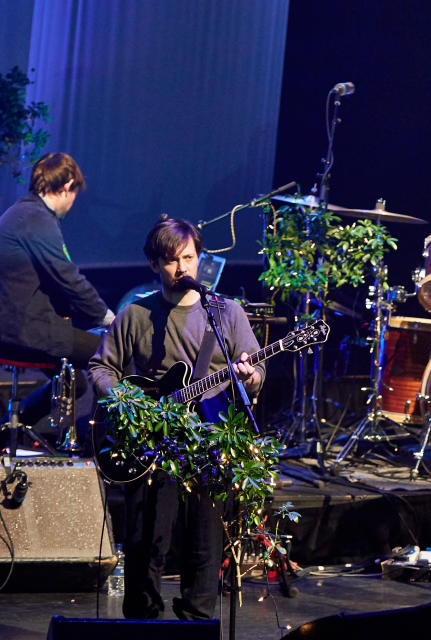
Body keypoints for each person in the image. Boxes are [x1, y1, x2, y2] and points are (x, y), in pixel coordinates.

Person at [90, 217, 264, 620]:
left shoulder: (227, 313)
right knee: (147, 538)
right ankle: (143, 619)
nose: (182, 268)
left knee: (205, 541)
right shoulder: (135, 314)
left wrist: (250, 374)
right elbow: (101, 369)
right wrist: (133, 406)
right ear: (155, 265)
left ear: (199, 258)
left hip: (210, 441)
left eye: (189, 257)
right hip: (153, 445)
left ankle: (198, 622)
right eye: (171, 261)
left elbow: (256, 378)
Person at [0, 152, 114, 435]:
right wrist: (107, 318)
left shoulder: (22, 212)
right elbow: (68, 278)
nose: (73, 202)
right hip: (24, 330)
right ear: (67, 185)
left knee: (77, 383)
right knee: (112, 353)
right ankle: (108, 440)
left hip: (14, 326)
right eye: (74, 193)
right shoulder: (37, 219)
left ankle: (9, 428)